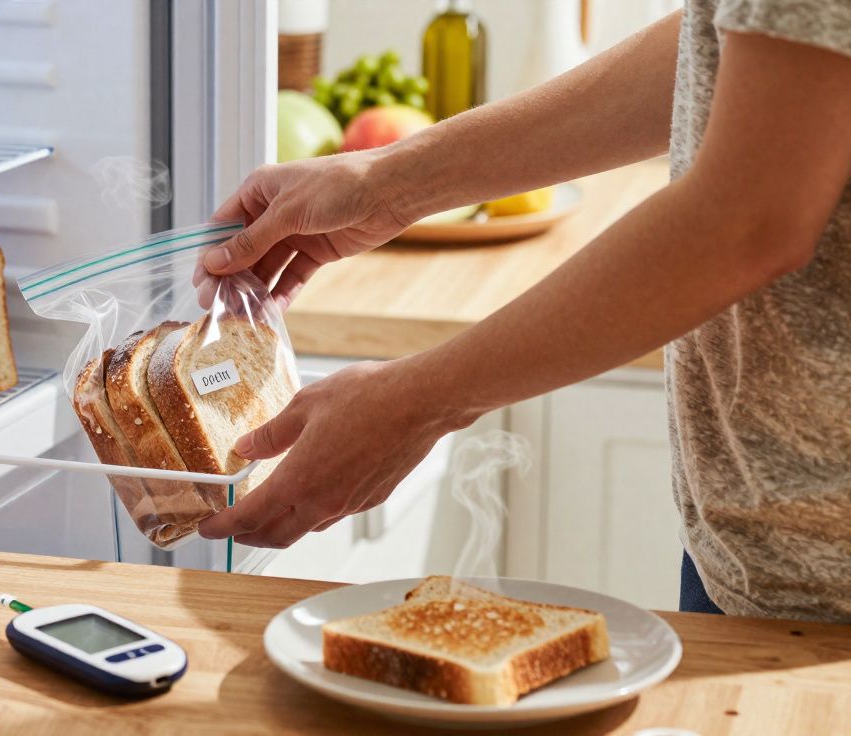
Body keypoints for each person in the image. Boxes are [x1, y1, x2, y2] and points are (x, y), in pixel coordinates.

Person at [196, 2, 851, 623]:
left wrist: (415, 403)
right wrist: (385, 185)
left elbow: (748, 221)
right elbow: (716, 45)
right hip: (762, 548)